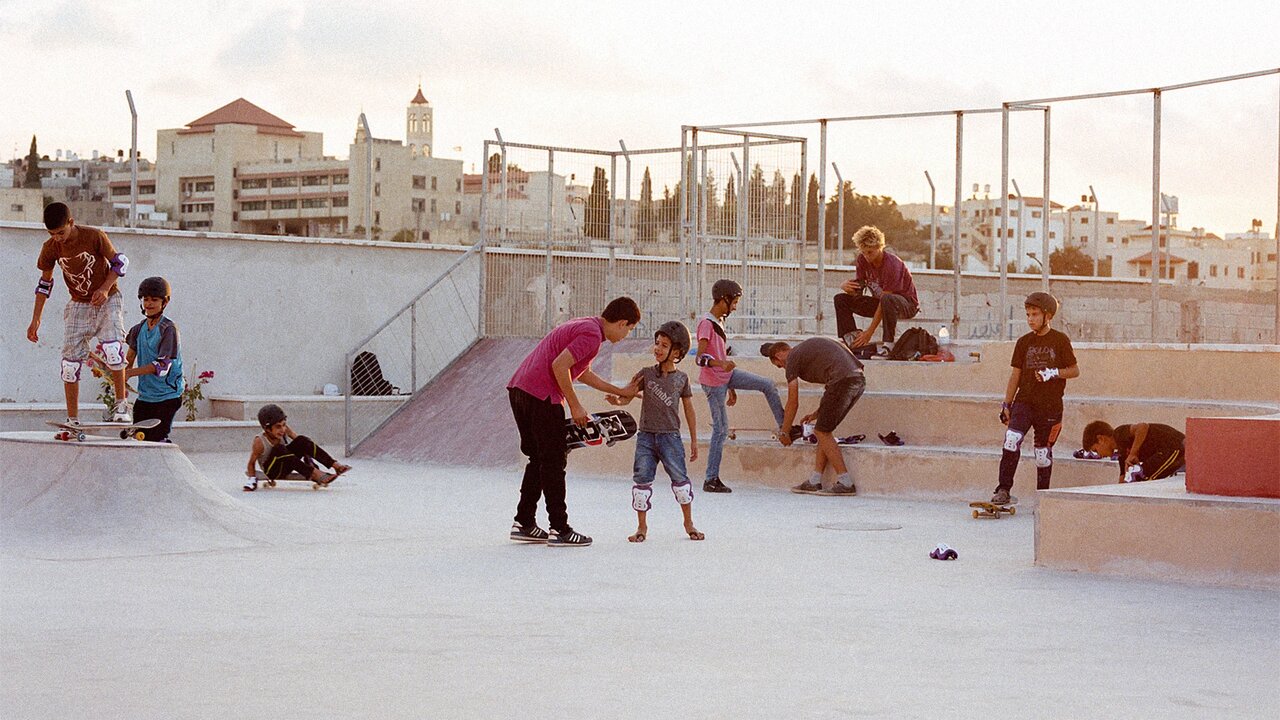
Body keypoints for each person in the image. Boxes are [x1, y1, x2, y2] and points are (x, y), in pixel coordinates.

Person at [507, 297, 641, 547]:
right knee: (554, 462)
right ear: (622, 323)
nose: (627, 335)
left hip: (520, 390)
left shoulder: (588, 326)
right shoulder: (591, 335)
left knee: (539, 459)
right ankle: (560, 529)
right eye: (630, 329)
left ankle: (524, 523)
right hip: (542, 395)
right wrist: (575, 405)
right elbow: (560, 366)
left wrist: (621, 391)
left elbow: (582, 372)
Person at [27, 202, 131, 424]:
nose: (58, 238)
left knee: (113, 349)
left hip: (108, 298)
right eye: (52, 234)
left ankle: (121, 405)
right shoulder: (50, 248)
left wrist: (104, 288)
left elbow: (120, 263)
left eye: (61, 232)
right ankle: (72, 418)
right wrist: (36, 318)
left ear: (71, 223)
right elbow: (45, 284)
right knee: (69, 366)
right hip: (78, 304)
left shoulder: (93, 236)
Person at [606, 321, 703, 543]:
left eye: (664, 345)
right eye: (657, 343)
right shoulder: (646, 374)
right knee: (641, 484)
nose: (658, 348)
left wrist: (694, 441)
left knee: (681, 484)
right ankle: (642, 527)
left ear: (677, 352)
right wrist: (618, 399)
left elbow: (689, 411)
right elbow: (628, 394)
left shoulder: (682, 379)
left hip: (671, 437)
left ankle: (689, 523)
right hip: (646, 437)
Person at [990, 292, 1080, 505]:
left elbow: (1075, 370)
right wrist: (1007, 404)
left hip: (1050, 406)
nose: (1030, 319)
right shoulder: (1023, 342)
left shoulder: (1060, 340)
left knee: (1042, 453)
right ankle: (1003, 489)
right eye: (1028, 314)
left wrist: (1053, 373)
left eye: (1035, 314)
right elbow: (1015, 375)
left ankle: (1042, 496)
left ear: (1047, 316)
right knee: (1011, 440)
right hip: (1024, 402)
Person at [697, 279, 784, 493]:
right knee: (721, 429)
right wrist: (721, 365)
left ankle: (785, 428)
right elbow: (700, 358)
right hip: (713, 383)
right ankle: (711, 479)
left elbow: (720, 354)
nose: (735, 307)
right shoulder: (706, 323)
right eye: (734, 302)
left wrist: (731, 386)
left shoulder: (719, 322)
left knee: (767, 384)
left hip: (725, 378)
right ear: (724, 299)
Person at [761, 338, 866, 495]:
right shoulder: (805, 350)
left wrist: (785, 431)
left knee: (822, 432)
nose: (782, 368)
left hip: (843, 381)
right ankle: (815, 480)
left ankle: (846, 482)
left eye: (779, 365)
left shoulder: (792, 358)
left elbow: (793, 401)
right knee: (823, 430)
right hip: (857, 380)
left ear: (779, 354)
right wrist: (817, 413)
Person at [833, 225, 920, 349]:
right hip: (882, 303)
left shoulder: (892, 264)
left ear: (880, 247)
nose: (867, 256)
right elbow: (858, 294)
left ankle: (888, 344)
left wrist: (869, 333)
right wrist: (845, 287)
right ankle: (853, 340)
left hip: (906, 305)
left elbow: (886, 299)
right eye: (863, 252)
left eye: (870, 252)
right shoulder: (862, 260)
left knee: (887, 299)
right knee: (840, 299)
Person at [123, 276, 185, 442]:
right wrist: (119, 375)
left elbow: (162, 366)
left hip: (168, 395)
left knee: (157, 439)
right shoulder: (137, 329)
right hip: (146, 396)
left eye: (154, 300)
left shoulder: (168, 329)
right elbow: (128, 359)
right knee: (139, 438)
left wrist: (129, 373)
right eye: (146, 299)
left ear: (165, 302)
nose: (149, 304)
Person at [244, 404, 350, 491]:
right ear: (267, 429)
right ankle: (315, 474)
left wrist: (308, 459)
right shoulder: (259, 441)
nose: (282, 429)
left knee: (302, 439)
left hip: (287, 463)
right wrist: (252, 481)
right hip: (273, 470)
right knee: (279, 448)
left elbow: (301, 442)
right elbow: (251, 463)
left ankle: (335, 465)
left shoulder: (283, 430)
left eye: (284, 425)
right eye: (278, 427)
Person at [1082, 421, 1185, 483]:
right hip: (1162, 454)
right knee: (1139, 477)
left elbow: (1143, 426)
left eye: (1096, 450)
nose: (1099, 455)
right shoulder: (1121, 455)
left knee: (1143, 475)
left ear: (1101, 439)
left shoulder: (1119, 433)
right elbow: (1123, 478)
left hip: (1173, 446)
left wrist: (1133, 453)